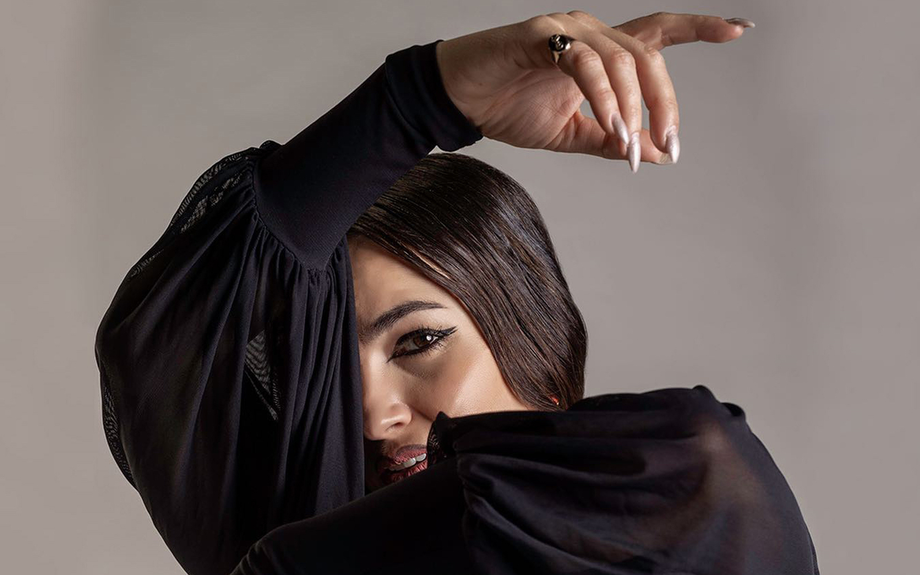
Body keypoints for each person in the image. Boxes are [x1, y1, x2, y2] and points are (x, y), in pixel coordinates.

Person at [95, 10, 819, 575]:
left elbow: (700, 462)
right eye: (330, 369)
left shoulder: (687, 500)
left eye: (417, 341)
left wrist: (415, 104)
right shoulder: (289, 543)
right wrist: (417, 98)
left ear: (530, 331)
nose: (373, 415)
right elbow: (166, 335)